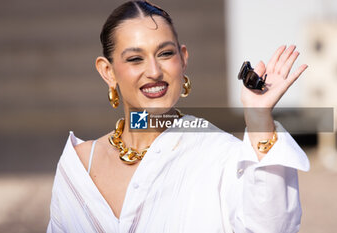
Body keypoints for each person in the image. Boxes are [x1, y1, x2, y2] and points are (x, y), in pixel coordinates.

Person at [46, 1, 310, 232]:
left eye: (165, 54)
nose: (154, 71)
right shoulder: (78, 166)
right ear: (108, 72)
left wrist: (258, 119)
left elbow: (272, 227)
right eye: (135, 59)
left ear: (183, 59)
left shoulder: (220, 155)